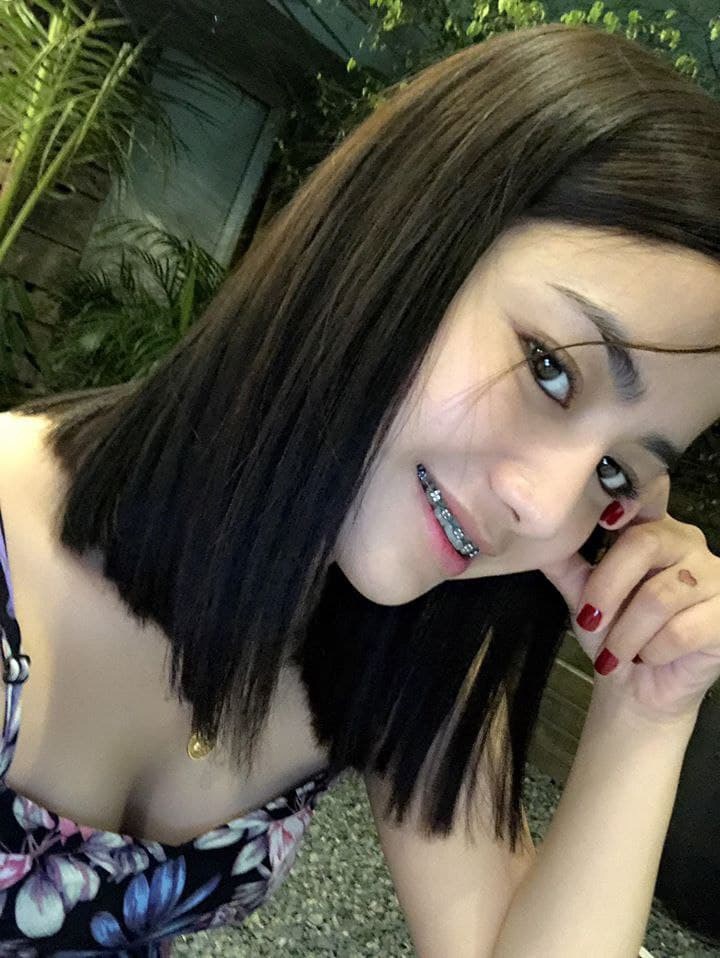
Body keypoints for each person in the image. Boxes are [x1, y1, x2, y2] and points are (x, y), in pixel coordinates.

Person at [0, 19, 719, 957]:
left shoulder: (404, 644)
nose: (546, 509)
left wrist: (649, 702)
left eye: (615, 472)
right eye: (550, 368)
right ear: (398, 239)